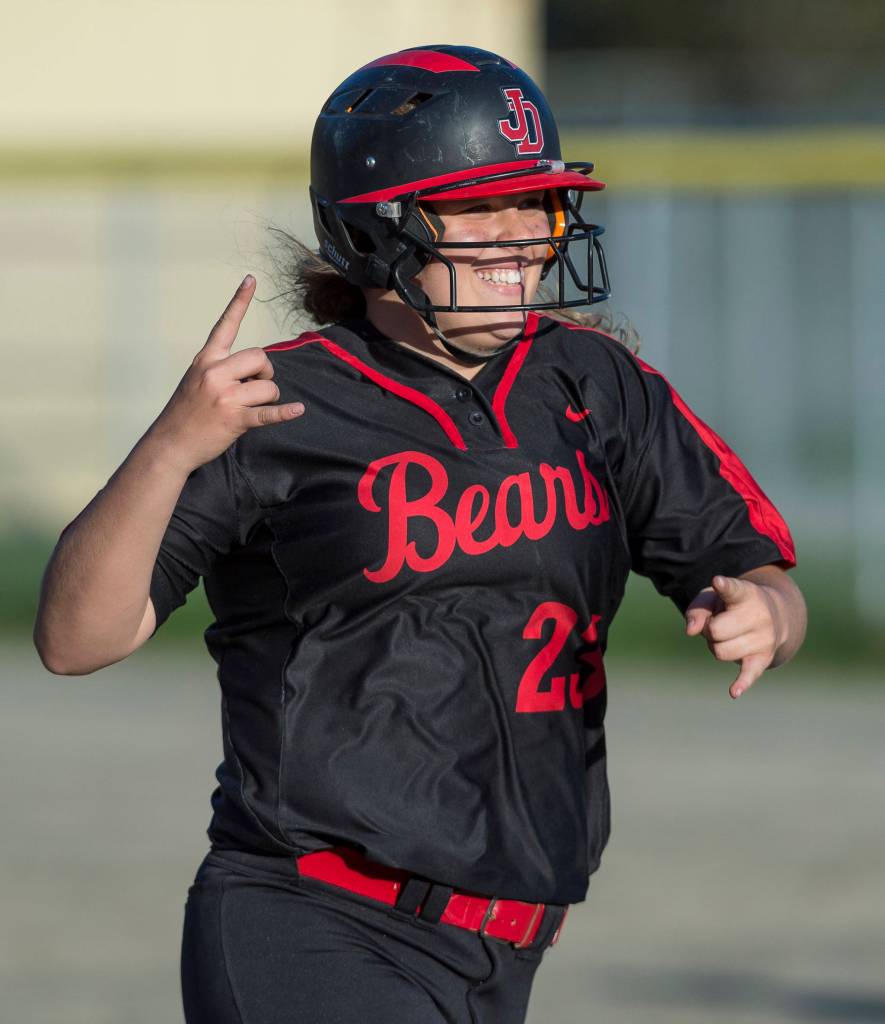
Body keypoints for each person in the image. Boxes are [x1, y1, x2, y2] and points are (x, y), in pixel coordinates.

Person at [34, 44, 807, 1024]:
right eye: (480, 208)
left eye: (535, 202)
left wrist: (767, 608)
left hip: (506, 943)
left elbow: (753, 562)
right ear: (376, 231)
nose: (523, 235)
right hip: (313, 923)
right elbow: (76, 639)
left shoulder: (593, 385)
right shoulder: (276, 401)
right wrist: (168, 449)